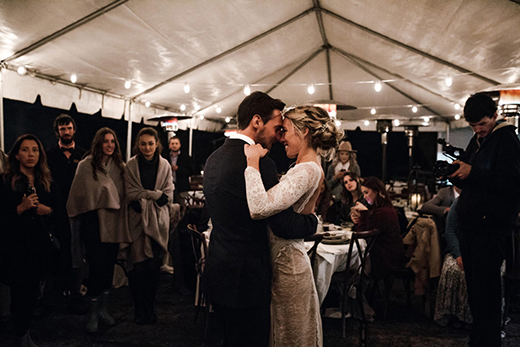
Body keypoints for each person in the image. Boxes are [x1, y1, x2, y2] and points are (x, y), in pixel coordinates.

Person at [203, 92, 318, 347]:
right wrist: (313, 222)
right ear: (257, 121)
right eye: (277, 127)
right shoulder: (260, 164)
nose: (279, 136)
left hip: (218, 270)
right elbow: (283, 224)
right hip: (249, 279)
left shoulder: (213, 159)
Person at [243, 105, 343, 346]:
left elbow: (259, 207)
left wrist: (252, 162)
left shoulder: (307, 170)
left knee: (290, 335)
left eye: (285, 131)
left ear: (304, 131)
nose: (281, 138)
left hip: (289, 267)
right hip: (284, 262)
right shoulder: (303, 168)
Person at [448, 93, 520, 347]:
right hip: (471, 228)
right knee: (476, 295)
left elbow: (512, 184)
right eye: (473, 125)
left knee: (487, 295)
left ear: (495, 115)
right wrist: (456, 173)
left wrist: (473, 172)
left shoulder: (506, 139)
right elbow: (471, 178)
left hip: (489, 230)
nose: (478, 130)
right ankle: (478, 341)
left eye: (482, 124)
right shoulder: (479, 140)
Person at [0, 134, 65, 347]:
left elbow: (59, 214)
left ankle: (26, 336)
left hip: (41, 249)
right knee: (21, 295)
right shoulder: (6, 182)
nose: (31, 154)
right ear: (17, 155)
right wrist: (21, 207)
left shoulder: (47, 182)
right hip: (17, 249)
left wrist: (49, 210)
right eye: (26, 150)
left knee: (35, 294)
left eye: (35, 150)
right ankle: (21, 337)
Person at [66, 127, 131, 333]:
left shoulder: (120, 167)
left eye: (112, 141)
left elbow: (125, 194)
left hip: (114, 223)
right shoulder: (86, 166)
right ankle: (93, 313)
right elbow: (78, 196)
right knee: (95, 267)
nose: (110, 145)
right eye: (105, 141)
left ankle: (103, 309)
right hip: (93, 224)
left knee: (108, 268)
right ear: (98, 143)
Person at [125, 128, 174, 325]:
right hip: (137, 220)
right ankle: (139, 308)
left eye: (150, 144)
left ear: (156, 144)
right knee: (138, 266)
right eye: (143, 144)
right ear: (138, 145)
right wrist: (150, 197)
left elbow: (168, 192)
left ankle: (150, 306)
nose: (147, 147)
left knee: (154, 266)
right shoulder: (131, 165)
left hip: (158, 221)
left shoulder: (165, 165)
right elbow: (129, 191)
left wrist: (152, 198)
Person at [45, 113, 87, 307]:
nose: (66, 132)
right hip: (57, 210)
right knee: (60, 249)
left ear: (74, 130)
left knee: (78, 251)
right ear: (57, 132)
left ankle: (77, 291)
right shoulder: (49, 156)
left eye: (69, 128)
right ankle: (59, 291)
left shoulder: (83, 155)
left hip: (80, 211)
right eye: (63, 129)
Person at [351, 177, 405, 281]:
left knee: (352, 266)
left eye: (367, 192)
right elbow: (363, 230)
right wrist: (357, 220)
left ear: (377, 192)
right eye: (363, 193)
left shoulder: (385, 212)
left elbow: (362, 235)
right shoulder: (379, 209)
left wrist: (364, 214)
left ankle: (354, 292)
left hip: (388, 257)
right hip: (383, 252)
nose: (365, 197)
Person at [434, 198, 472, 327]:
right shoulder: (459, 202)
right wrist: (458, 254)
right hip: (458, 250)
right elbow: (450, 230)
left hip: (483, 252)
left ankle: (472, 317)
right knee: (452, 269)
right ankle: (451, 314)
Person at [164, 136, 194, 205]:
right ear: (169, 145)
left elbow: (191, 171)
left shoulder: (186, 157)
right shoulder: (165, 157)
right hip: (167, 186)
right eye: (172, 143)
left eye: (176, 143)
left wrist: (178, 169)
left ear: (179, 145)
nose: (174, 145)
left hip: (181, 186)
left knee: (181, 206)